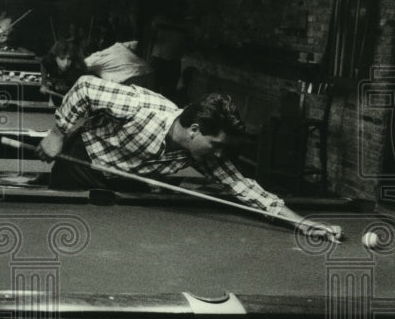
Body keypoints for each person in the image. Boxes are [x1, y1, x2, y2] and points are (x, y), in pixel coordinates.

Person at [36, 76, 341, 238]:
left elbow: (243, 187)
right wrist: (58, 133)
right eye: (216, 144)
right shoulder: (140, 106)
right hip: (83, 163)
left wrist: (301, 223)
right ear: (194, 130)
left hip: (129, 185)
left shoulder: (204, 154)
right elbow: (86, 87)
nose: (220, 154)